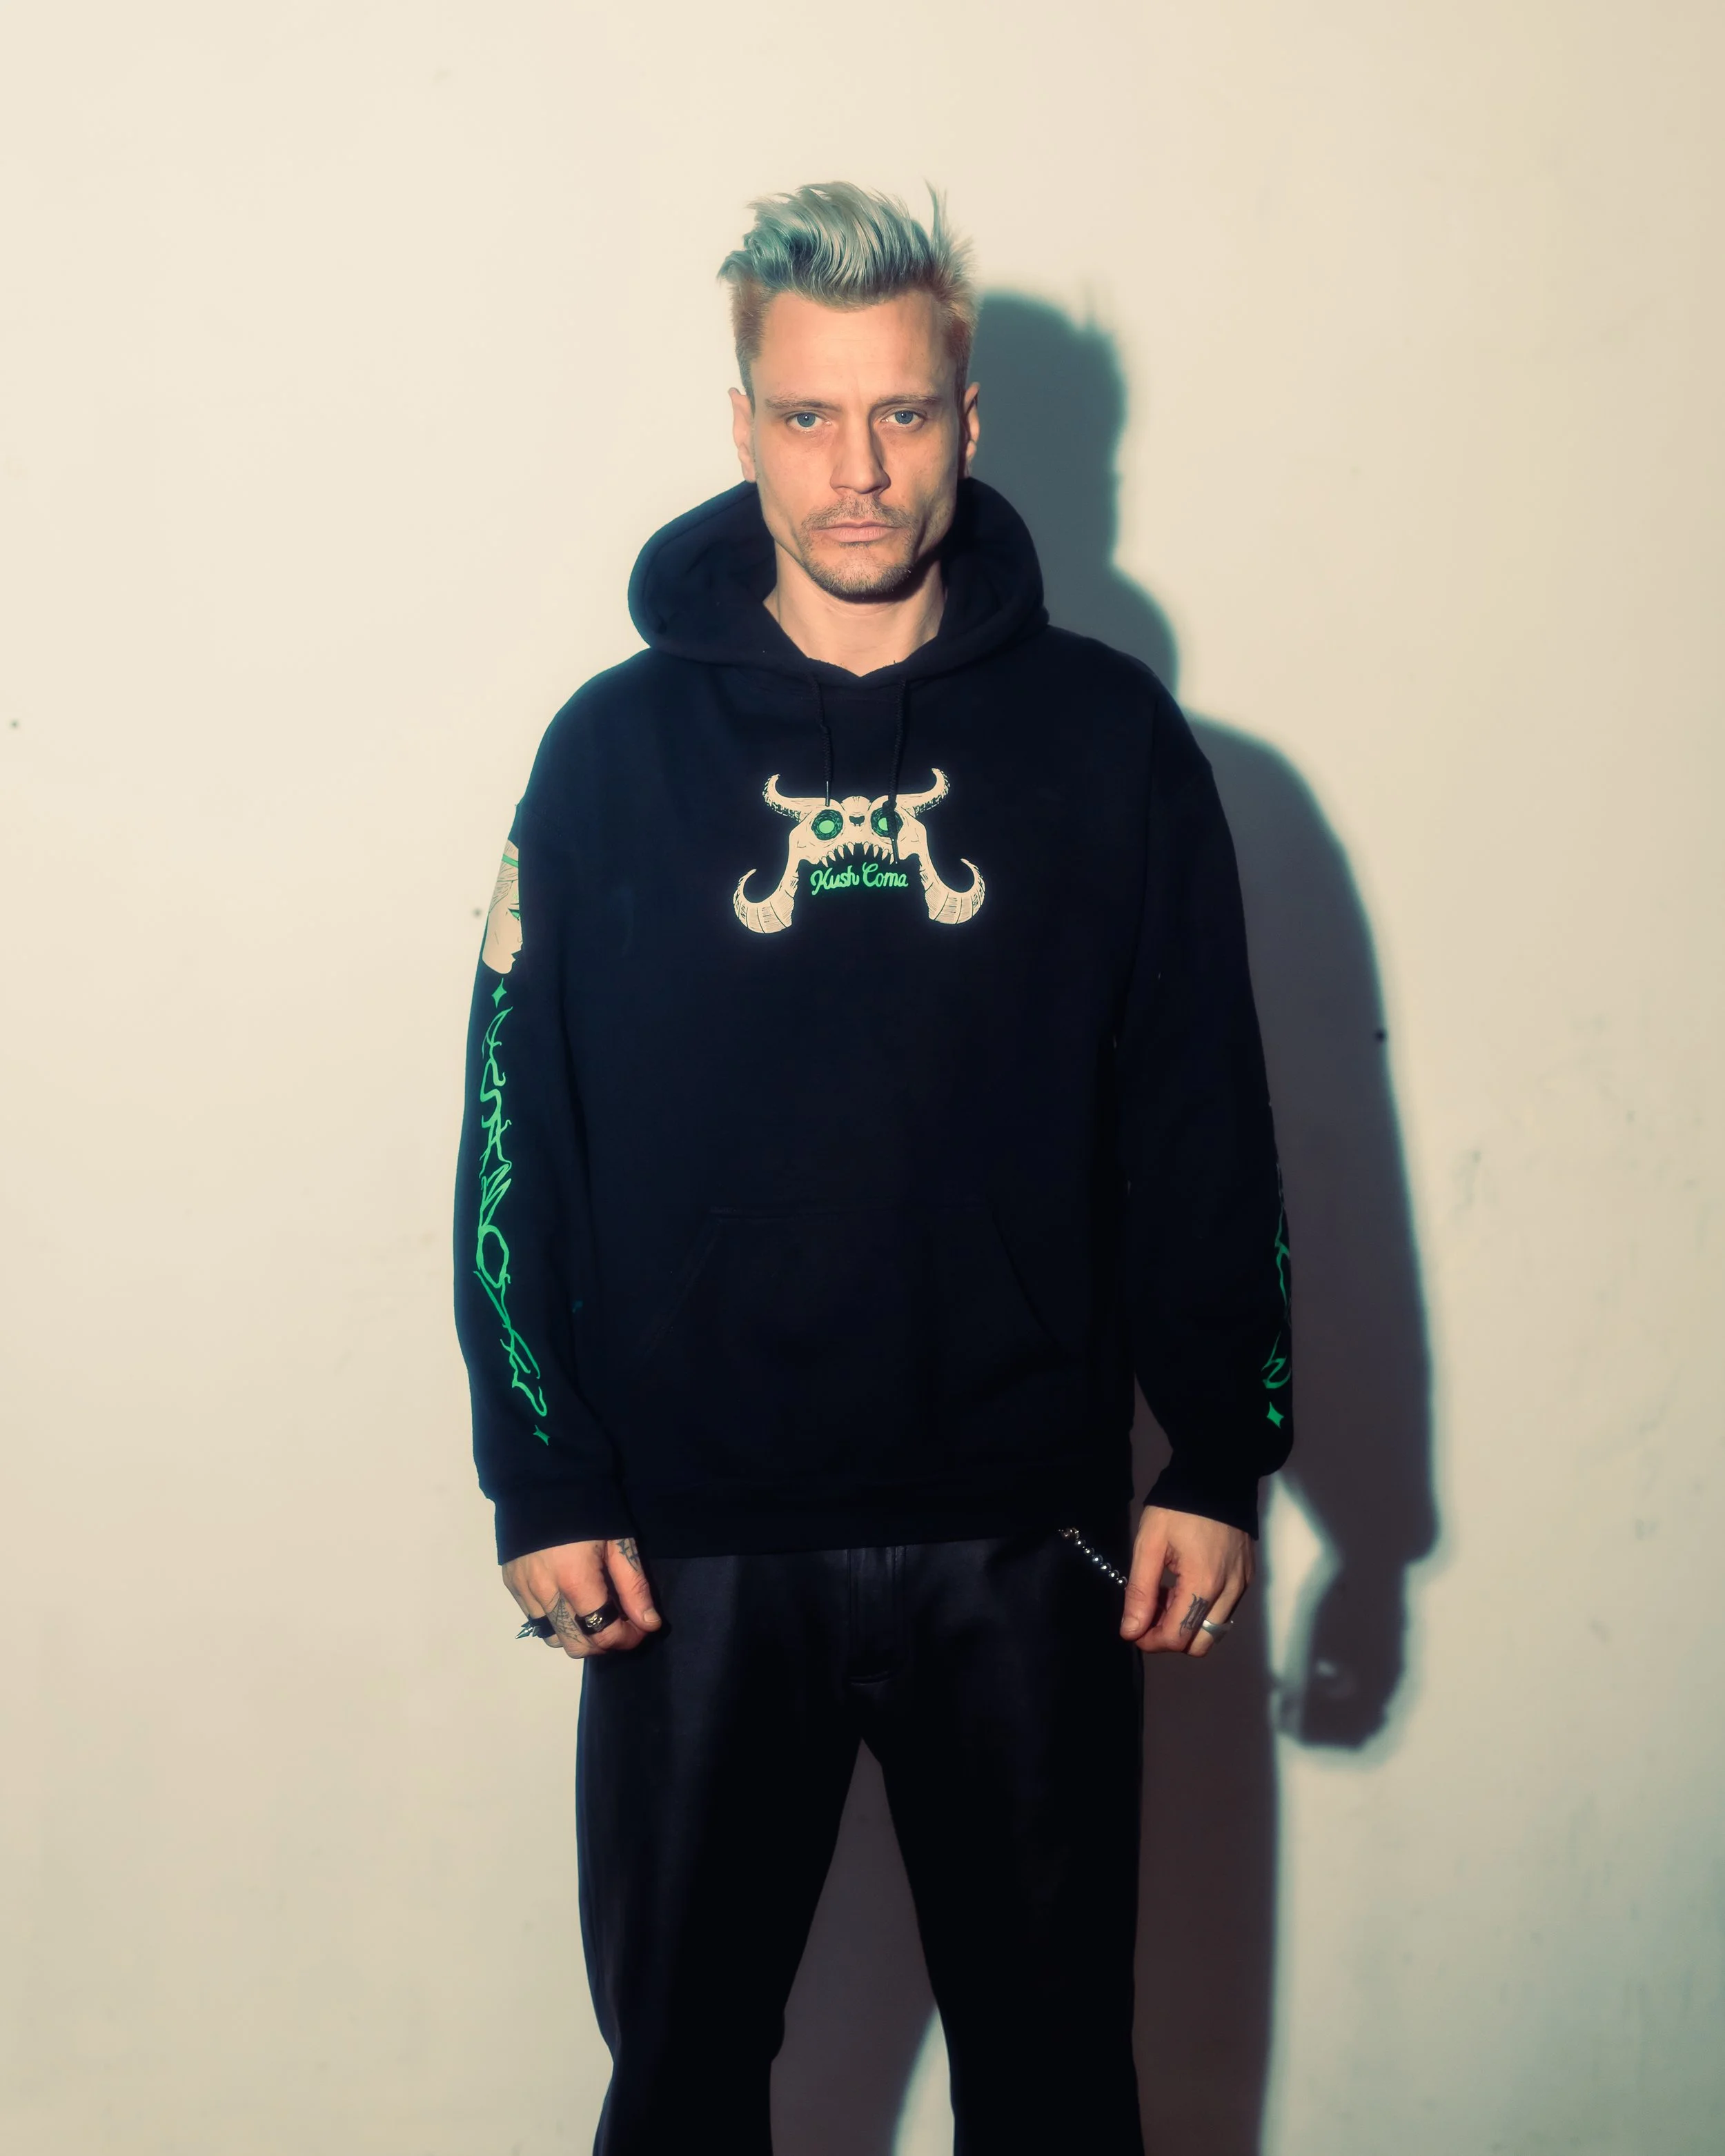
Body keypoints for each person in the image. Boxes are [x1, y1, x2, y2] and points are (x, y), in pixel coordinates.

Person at [453, 181, 1293, 2156]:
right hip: (691, 1543)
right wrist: (540, 1471)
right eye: (811, 416)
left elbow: (1200, 1106)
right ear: (743, 423)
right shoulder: (610, 755)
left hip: (1026, 1531)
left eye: (901, 413)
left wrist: (1222, 1449)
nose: (859, 469)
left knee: (1058, 2091)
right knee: (679, 2089)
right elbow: (511, 1126)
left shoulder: (1108, 741)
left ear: (966, 419)